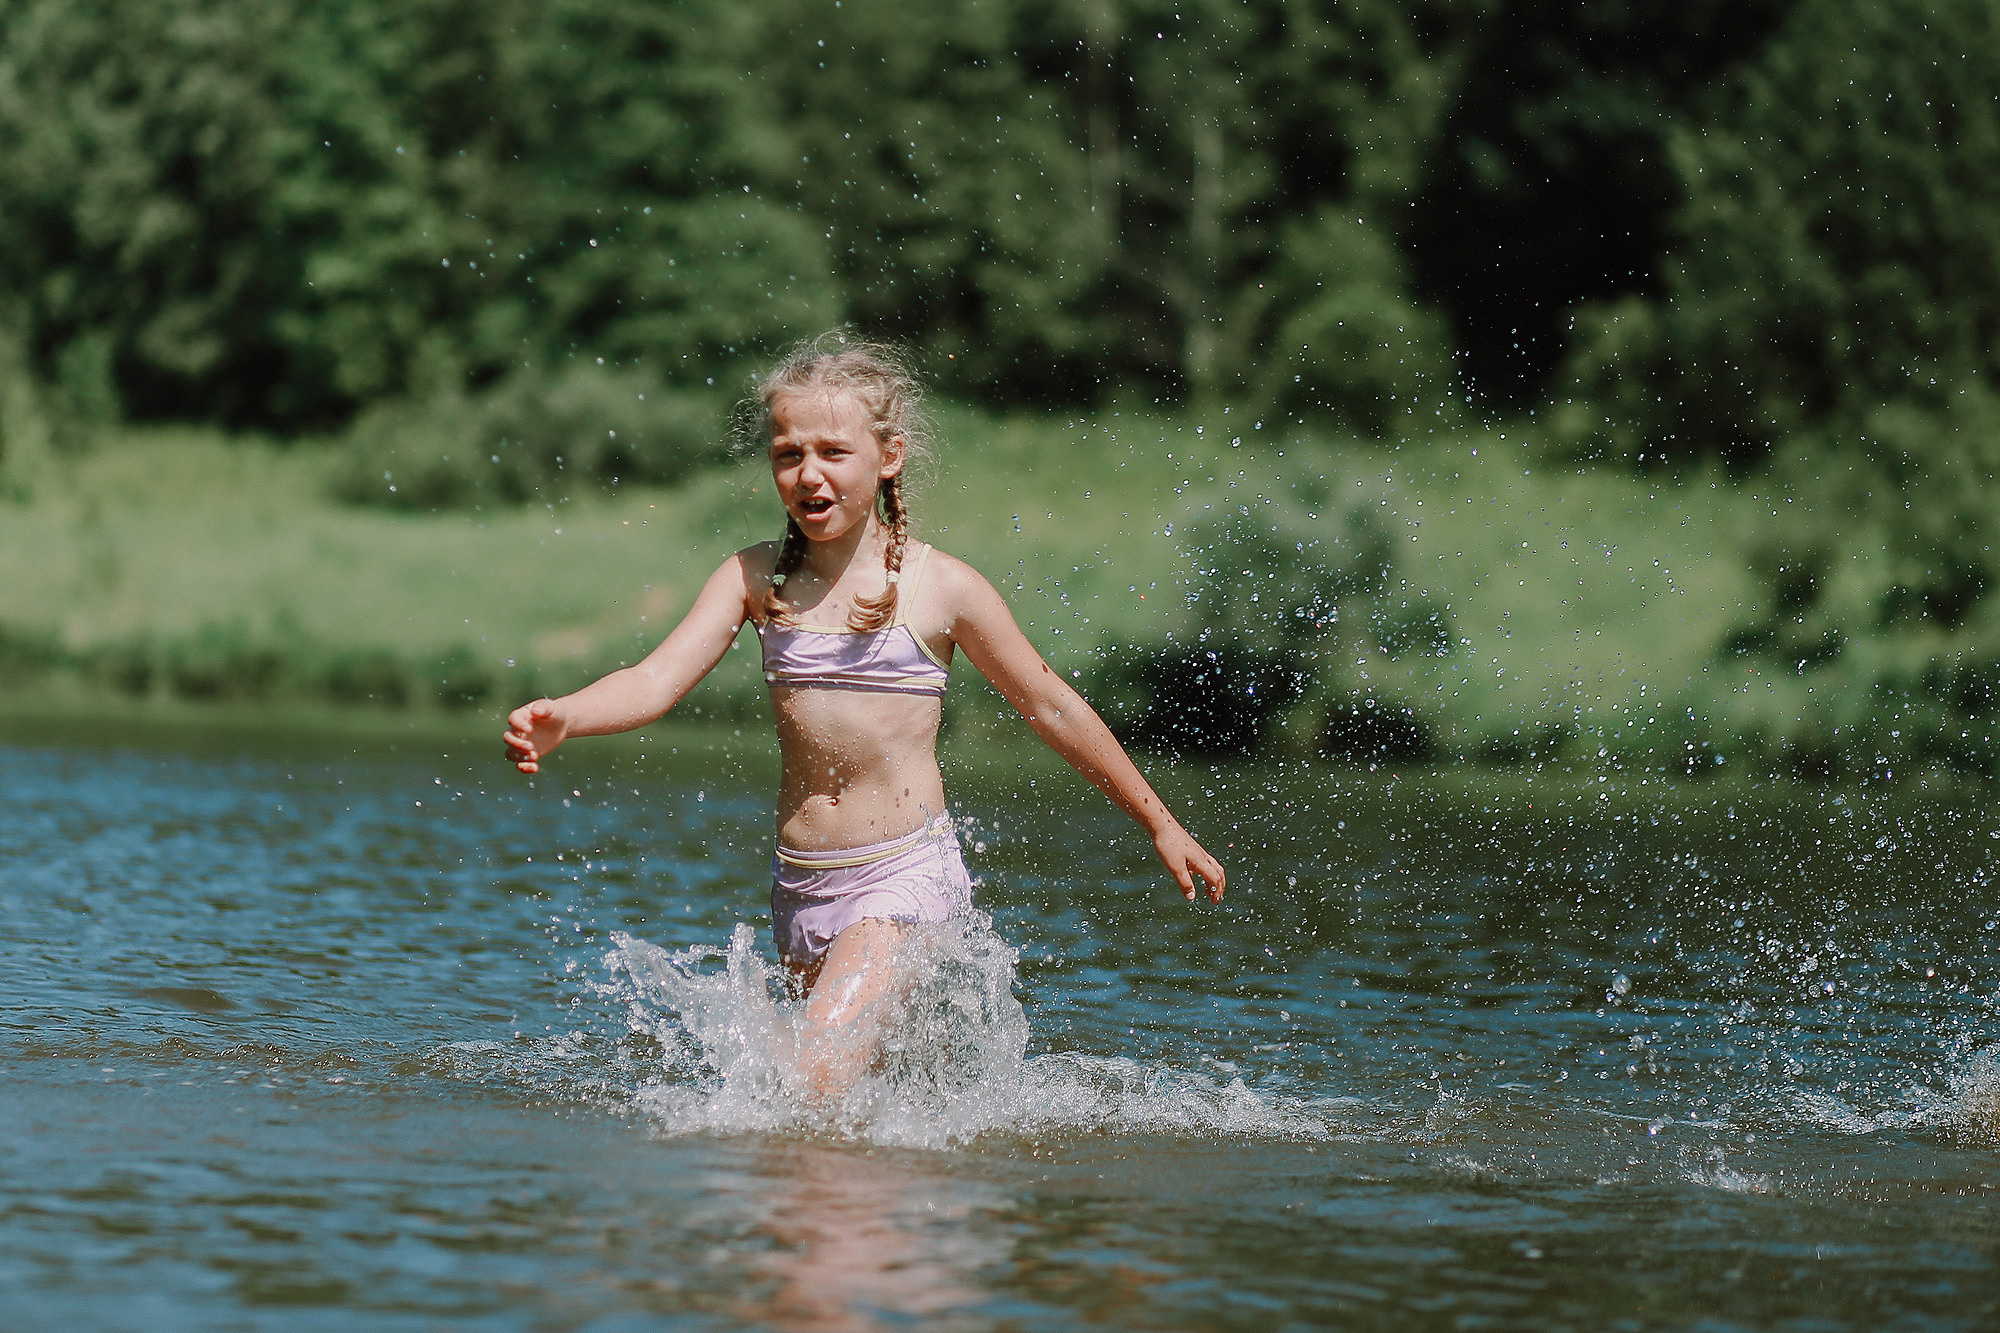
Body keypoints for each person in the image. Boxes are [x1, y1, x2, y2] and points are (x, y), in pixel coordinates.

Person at [504, 335, 1224, 1098]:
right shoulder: (754, 579)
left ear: (889, 456)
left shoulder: (942, 588)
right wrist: (568, 716)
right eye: (788, 454)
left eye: (833, 452)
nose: (808, 473)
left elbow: (1051, 705)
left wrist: (1160, 822)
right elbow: (655, 679)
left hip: (902, 877)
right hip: (799, 886)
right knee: (846, 1110)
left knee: (808, 1083)